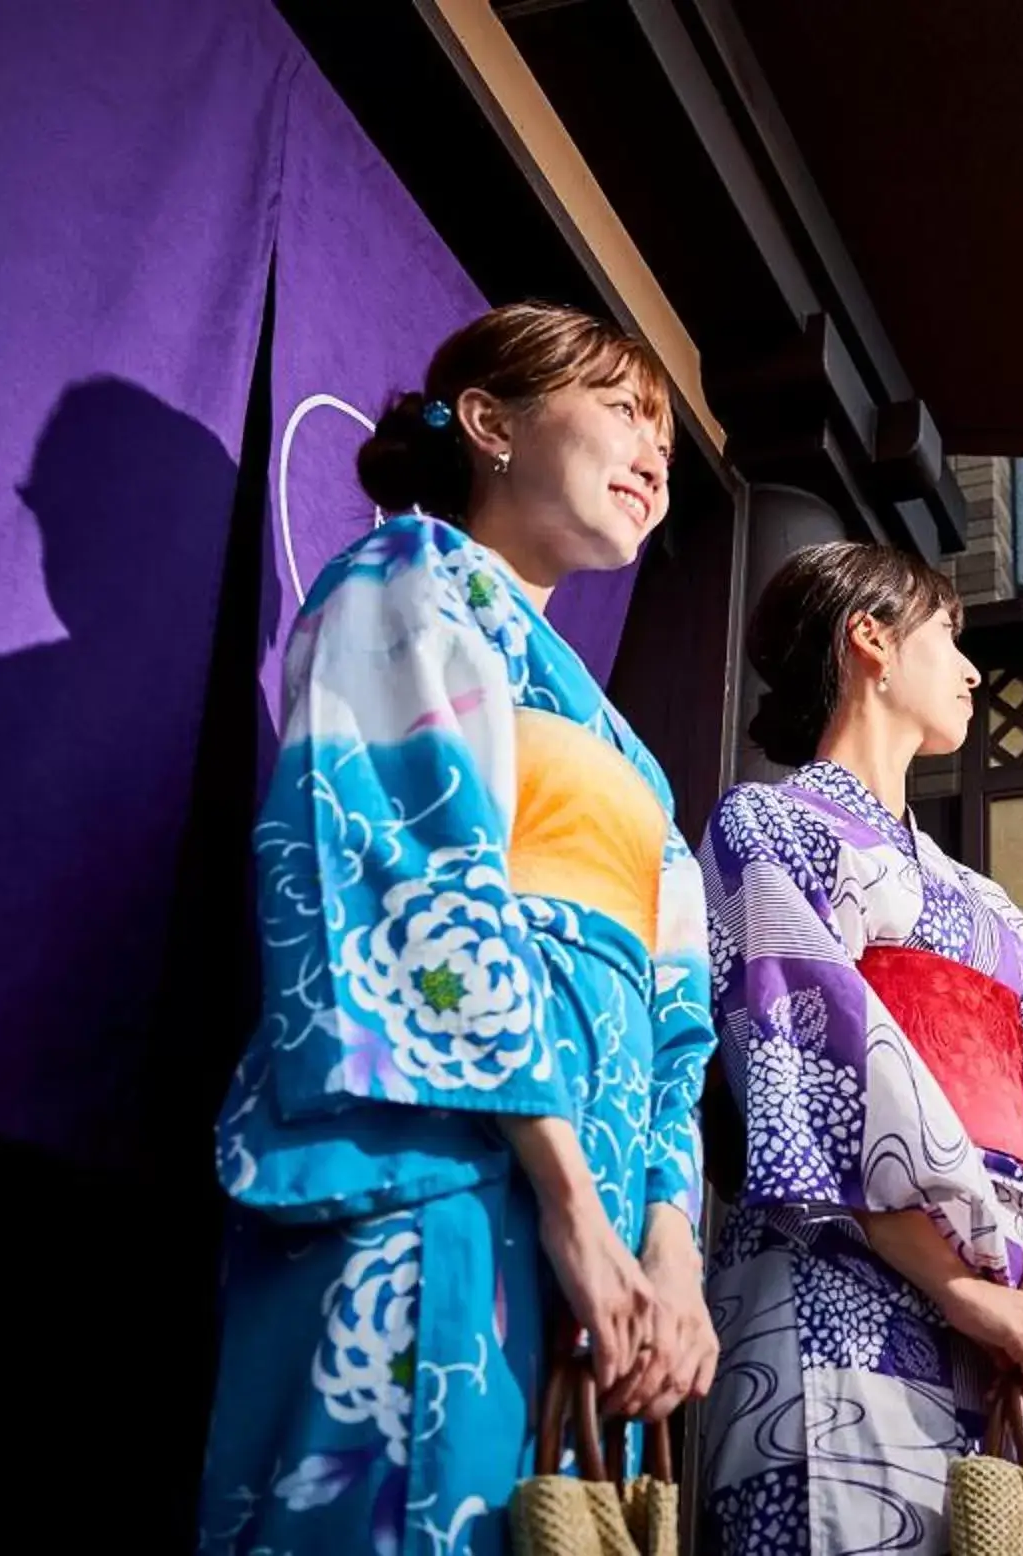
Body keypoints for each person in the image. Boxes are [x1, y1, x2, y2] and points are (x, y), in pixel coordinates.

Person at [198, 302, 718, 1556]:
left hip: (604, 1255)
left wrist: (671, 1247)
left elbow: (674, 1020)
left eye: (664, 426)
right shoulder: (408, 579)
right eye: (621, 410)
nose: (656, 451)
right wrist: (567, 1200)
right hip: (450, 1177)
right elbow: (413, 883)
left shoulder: (624, 742)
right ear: (489, 421)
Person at [695, 542, 1023, 1553]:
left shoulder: (995, 910)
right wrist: (971, 1290)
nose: (973, 668)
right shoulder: (768, 825)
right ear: (871, 640)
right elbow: (805, 1079)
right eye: (948, 634)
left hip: (1001, 1338)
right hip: (831, 1300)